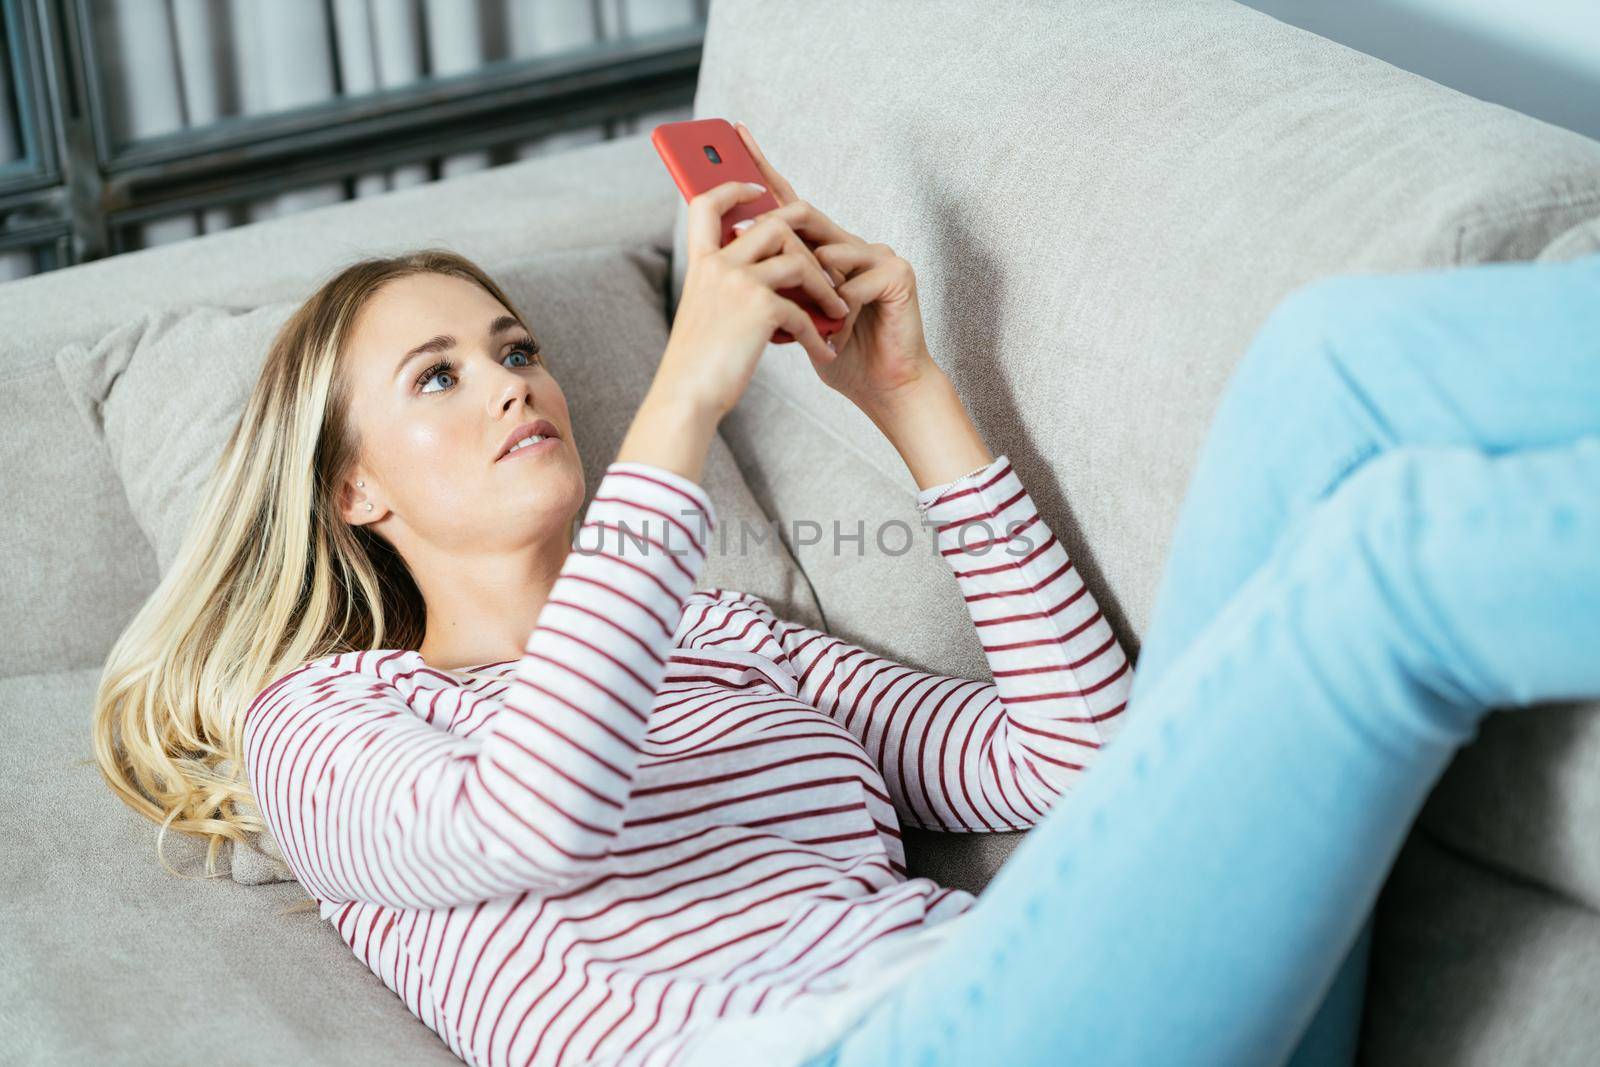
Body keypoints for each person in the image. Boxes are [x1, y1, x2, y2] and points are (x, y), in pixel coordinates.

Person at [88, 113, 1598, 1067]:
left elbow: (1084, 772)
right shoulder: (329, 724)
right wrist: (682, 395)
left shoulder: (722, 637)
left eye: (517, 348)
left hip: (1040, 995)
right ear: (357, 490)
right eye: (440, 374)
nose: (511, 383)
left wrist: (913, 397)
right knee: (1380, 571)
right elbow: (534, 817)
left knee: (1327, 361)